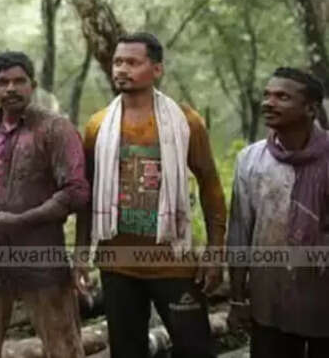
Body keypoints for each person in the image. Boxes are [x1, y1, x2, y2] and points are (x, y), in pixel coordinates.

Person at [75, 32, 226, 358]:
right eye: (118, 62)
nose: (121, 69)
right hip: (117, 264)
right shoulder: (98, 126)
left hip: (173, 262)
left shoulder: (185, 122)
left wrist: (216, 251)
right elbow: (87, 193)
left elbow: (210, 185)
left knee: (195, 349)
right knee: (127, 351)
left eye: (132, 62)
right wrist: (80, 255)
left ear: (156, 69)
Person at [0, 51, 88, 358]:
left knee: (63, 347)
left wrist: (20, 220)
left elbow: (76, 192)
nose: (11, 88)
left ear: (33, 85)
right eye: (3, 82)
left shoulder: (55, 129)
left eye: (19, 81)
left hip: (42, 257)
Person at [227, 68, 329, 358]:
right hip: (270, 301)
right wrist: (237, 298)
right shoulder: (251, 160)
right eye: (267, 95)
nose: (268, 103)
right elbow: (240, 233)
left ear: (310, 109)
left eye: (282, 97)